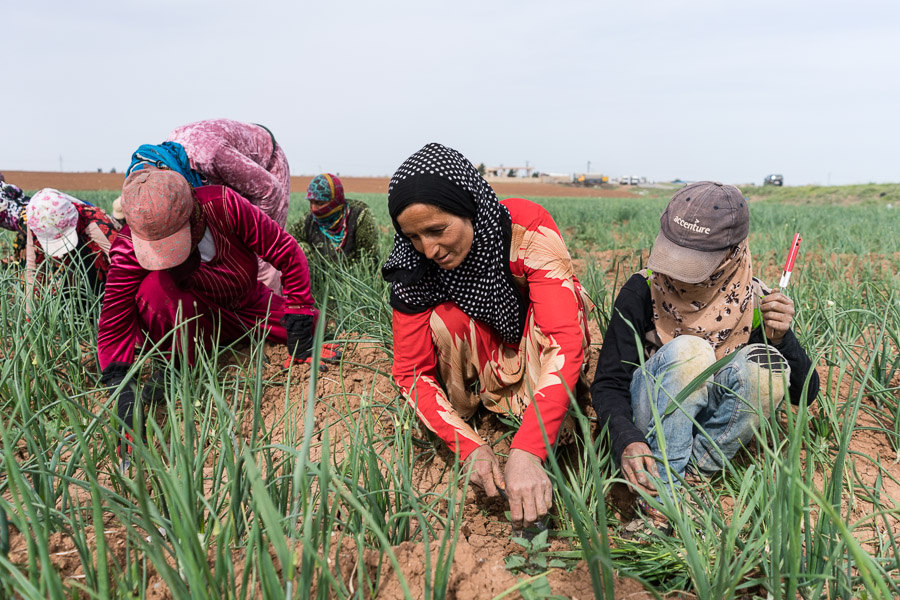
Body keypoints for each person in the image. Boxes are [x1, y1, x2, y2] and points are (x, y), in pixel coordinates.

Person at [383, 143, 593, 529]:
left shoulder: (524, 230)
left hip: (534, 354)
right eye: (413, 236)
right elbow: (410, 372)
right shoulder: (413, 267)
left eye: (437, 230)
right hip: (483, 367)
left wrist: (529, 451)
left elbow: (564, 340)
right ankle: (480, 412)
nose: (428, 250)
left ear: (470, 208)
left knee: (572, 300)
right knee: (443, 320)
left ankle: (547, 427)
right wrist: (470, 448)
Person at [591, 181, 819, 515]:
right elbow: (609, 381)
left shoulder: (753, 301)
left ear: (730, 255)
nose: (678, 273)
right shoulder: (643, 290)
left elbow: (804, 393)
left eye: (693, 262)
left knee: (767, 365)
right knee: (691, 352)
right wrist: (626, 437)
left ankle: (691, 477)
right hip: (650, 414)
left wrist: (782, 338)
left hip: (710, 426)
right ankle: (661, 496)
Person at [97, 169, 318, 458]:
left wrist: (300, 311)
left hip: (247, 304)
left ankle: (272, 333)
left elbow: (285, 251)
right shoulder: (130, 246)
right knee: (153, 289)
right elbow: (115, 319)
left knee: (315, 327)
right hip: (190, 318)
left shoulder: (224, 206)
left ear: (194, 213)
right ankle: (176, 364)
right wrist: (120, 386)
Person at [166, 119, 292, 293]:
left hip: (267, 170)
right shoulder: (169, 160)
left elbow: (270, 190)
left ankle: (271, 313)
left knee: (261, 257)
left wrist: (252, 239)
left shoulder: (209, 156)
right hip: (228, 175)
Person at [23, 188, 120, 300]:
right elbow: (33, 271)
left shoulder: (97, 225)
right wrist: (30, 315)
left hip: (98, 270)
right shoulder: (37, 223)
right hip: (68, 272)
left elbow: (124, 267)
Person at [289, 173, 379, 263]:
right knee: (299, 248)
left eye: (319, 203)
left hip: (353, 273)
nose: (313, 208)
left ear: (335, 202)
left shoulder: (359, 216)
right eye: (311, 202)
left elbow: (369, 259)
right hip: (318, 274)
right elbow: (288, 243)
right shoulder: (307, 221)